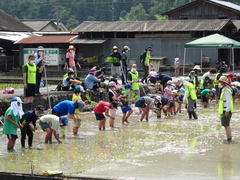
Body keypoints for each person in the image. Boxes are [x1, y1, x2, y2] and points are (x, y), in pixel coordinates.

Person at [218, 76, 234, 143]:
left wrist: (227, 110)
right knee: (226, 125)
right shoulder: (224, 90)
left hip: (226, 110)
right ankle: (229, 138)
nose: (219, 84)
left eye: (220, 82)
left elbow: (228, 101)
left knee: (226, 125)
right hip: (224, 110)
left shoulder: (226, 91)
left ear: (223, 83)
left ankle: (229, 139)